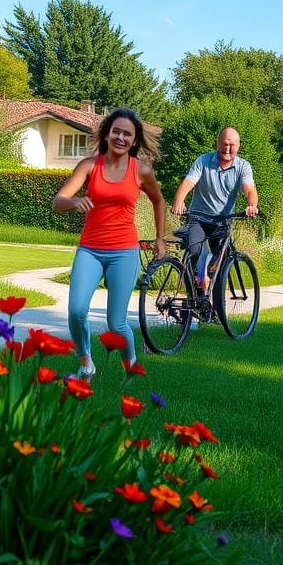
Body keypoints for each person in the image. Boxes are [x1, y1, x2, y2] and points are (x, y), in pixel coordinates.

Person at [52, 108, 166, 380]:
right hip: (90, 250)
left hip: (124, 252)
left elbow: (159, 201)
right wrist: (73, 201)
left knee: (116, 323)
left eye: (127, 134)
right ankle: (86, 364)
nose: (121, 138)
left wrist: (160, 238)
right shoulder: (90, 166)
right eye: (116, 131)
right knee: (77, 309)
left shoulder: (141, 170)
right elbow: (58, 202)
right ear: (107, 134)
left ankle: (130, 361)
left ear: (135, 140)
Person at [171, 127, 259, 293]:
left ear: (238, 146)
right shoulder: (203, 161)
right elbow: (189, 183)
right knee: (194, 251)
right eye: (224, 144)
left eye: (232, 145)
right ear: (217, 144)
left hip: (222, 222)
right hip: (199, 219)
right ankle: (194, 297)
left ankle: (216, 309)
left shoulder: (243, 167)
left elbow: (249, 189)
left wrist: (252, 205)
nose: (228, 148)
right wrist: (179, 201)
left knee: (220, 265)